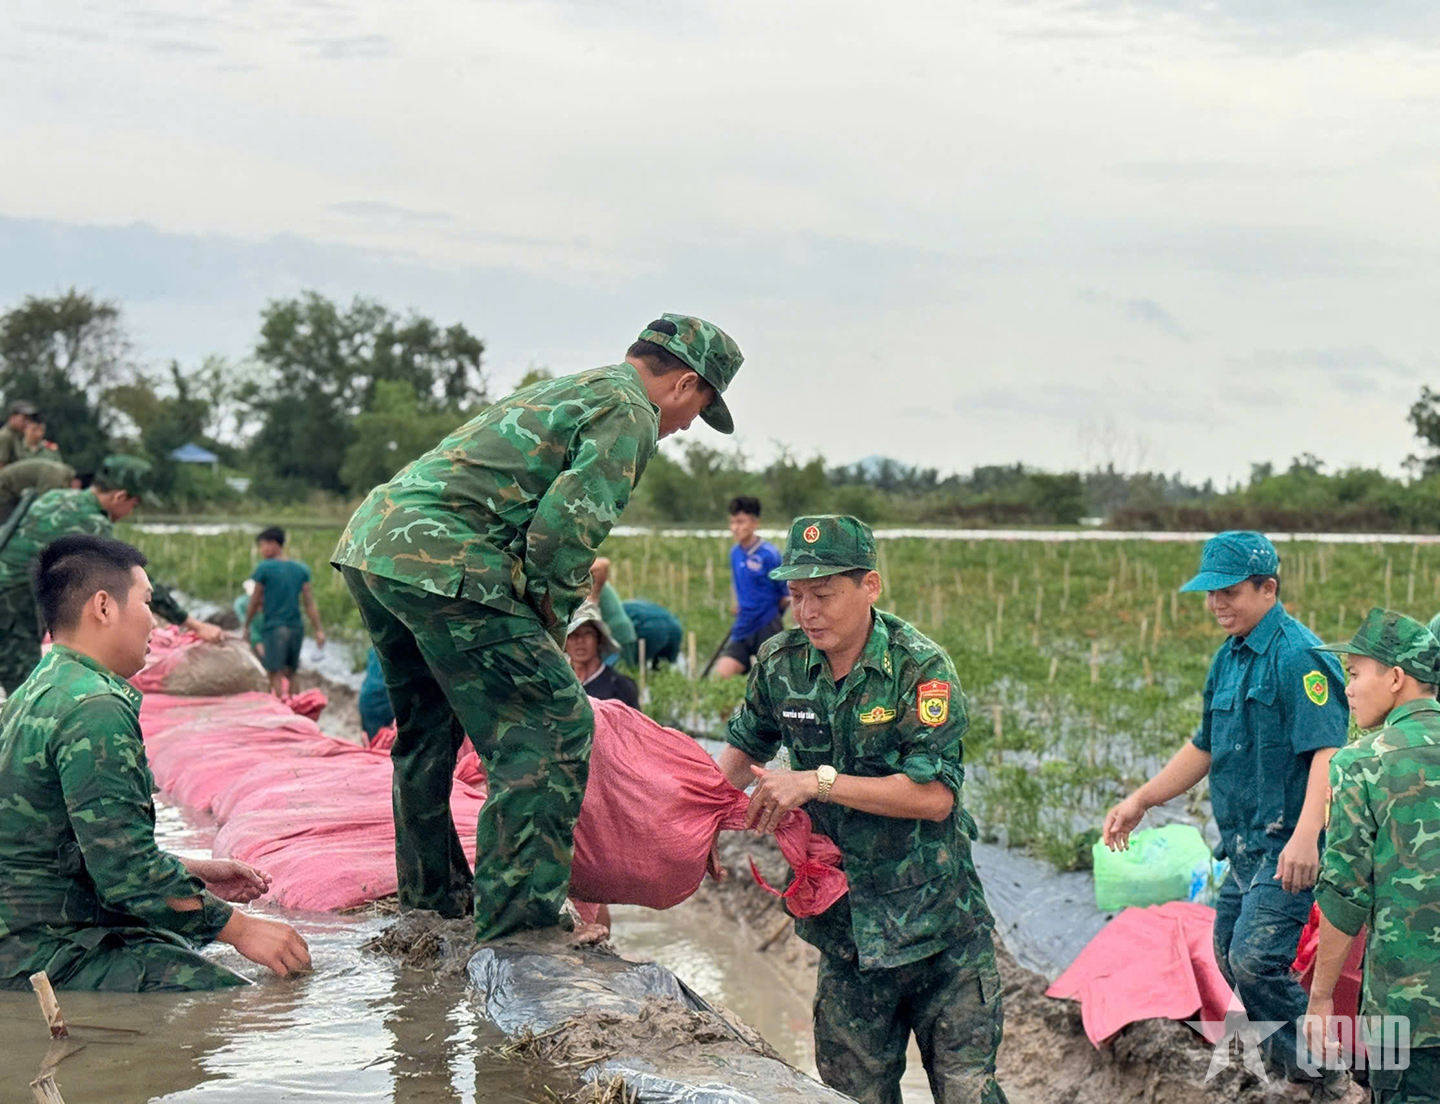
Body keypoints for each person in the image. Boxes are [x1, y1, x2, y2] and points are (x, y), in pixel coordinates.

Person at [331, 314, 744, 941]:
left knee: (427, 730)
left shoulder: (581, 387)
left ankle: (432, 902)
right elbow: (561, 537)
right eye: (698, 410)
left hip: (375, 544)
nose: (686, 426)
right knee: (553, 725)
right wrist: (549, 641)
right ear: (685, 384)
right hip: (447, 558)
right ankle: (521, 926)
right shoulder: (630, 412)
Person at [718, 515, 1006, 1104]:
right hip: (847, 936)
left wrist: (816, 782)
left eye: (823, 595)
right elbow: (744, 749)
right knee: (852, 1095)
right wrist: (691, 823)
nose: (807, 612)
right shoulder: (779, 664)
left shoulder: (919, 668)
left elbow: (935, 797)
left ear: (869, 586)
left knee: (967, 1093)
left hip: (939, 931)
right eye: (797, 595)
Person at [0, 534, 311, 990]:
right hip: (43, 949)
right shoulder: (94, 708)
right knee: (231, 996)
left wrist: (197, 873)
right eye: (147, 603)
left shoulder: (41, 686)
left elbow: (83, 845)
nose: (154, 621)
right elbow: (127, 873)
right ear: (103, 607)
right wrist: (244, 930)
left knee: (185, 943)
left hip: (26, 931)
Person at [1102, 531, 1351, 1098]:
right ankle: (1293, 1071)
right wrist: (1141, 799)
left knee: (1255, 959)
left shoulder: (1299, 658)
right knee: (1228, 955)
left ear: (1268, 589)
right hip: (1241, 847)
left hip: (1288, 845)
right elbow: (1205, 746)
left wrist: (1307, 838)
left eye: (1230, 592)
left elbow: (1328, 755)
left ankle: (1330, 1079)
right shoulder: (1229, 658)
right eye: (1211, 593)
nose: (1217, 604)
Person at [1303, 609, 1440, 1103]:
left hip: (1408, 1016)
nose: (1348, 690)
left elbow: (1344, 895)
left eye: (1356, 674)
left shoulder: (1360, 764)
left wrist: (1321, 998)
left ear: (1397, 678)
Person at [0, 455, 223, 695]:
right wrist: (194, 624)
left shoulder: (56, 496)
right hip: (12, 607)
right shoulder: (93, 524)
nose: (130, 512)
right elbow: (132, 579)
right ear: (119, 497)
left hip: (15, 597)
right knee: (25, 692)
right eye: (133, 504)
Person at [242, 527, 325, 697]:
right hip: (296, 628)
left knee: (274, 673)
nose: (261, 550)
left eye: (263, 545)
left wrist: (246, 625)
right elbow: (309, 603)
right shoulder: (301, 569)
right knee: (292, 672)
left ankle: (281, 707)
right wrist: (318, 629)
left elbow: (255, 600)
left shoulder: (264, 568)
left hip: (274, 628)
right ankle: (296, 706)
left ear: (274, 544)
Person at [712, 495, 789, 678]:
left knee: (772, 681)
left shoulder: (769, 554)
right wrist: (742, 605)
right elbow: (741, 587)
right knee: (720, 677)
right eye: (732, 522)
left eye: (740, 522)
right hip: (743, 626)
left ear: (755, 523)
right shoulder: (734, 553)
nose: (735, 528)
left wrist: (769, 612)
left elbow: (785, 596)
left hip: (767, 625)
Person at [565, 601, 640, 708]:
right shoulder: (559, 686)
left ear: (599, 639)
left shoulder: (620, 686)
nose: (580, 640)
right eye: (573, 634)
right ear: (565, 643)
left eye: (587, 633)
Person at [587, 556, 637, 667]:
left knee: (617, 672)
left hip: (617, 634)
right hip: (615, 633)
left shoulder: (592, 581)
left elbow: (603, 563)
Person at [0, 457, 77, 523]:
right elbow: (43, 502)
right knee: (9, 525)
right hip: (4, 486)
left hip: (10, 487)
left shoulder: (63, 472)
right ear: (77, 481)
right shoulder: (56, 477)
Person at [622, 598, 684, 667]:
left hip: (651, 628)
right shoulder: (636, 604)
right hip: (674, 626)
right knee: (667, 666)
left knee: (637, 666)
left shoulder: (620, 611)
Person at [358, 648, 396, 740]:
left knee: (372, 742)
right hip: (380, 703)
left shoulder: (376, 648)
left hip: (366, 698)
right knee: (381, 743)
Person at [0, 400, 38, 467]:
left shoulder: (18, 436)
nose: (27, 423)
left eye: (29, 419)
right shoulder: (5, 437)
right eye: (24, 418)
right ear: (12, 417)